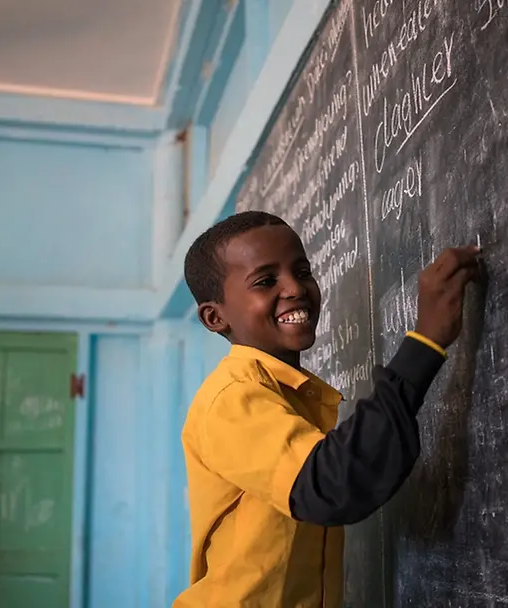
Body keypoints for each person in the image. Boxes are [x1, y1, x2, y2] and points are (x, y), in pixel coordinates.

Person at [173, 210, 481, 607]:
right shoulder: (232, 398)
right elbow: (334, 484)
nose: (295, 288)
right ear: (215, 317)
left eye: (302, 271)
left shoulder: (298, 396)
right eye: (266, 281)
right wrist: (424, 342)